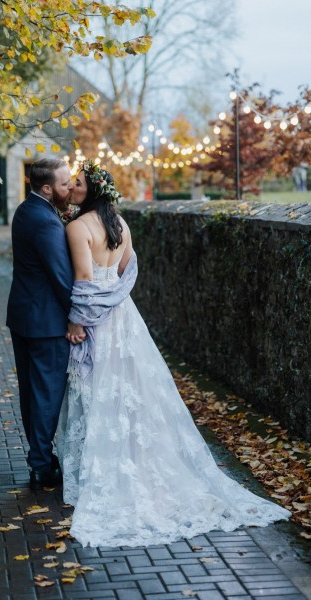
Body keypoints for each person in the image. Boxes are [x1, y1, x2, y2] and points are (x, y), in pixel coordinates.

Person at [55, 160, 291, 548]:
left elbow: (83, 279)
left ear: (91, 191)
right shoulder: (121, 225)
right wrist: (114, 295)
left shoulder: (77, 228)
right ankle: (138, 465)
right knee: (129, 391)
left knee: (97, 389)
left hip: (96, 318)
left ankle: (104, 474)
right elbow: (127, 272)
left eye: (78, 184)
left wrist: (78, 320)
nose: (73, 188)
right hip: (122, 315)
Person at [6, 158, 85, 490]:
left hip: (24, 317)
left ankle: (41, 457)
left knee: (32, 393)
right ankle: (41, 465)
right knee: (47, 394)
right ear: (47, 187)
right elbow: (61, 276)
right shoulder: (47, 222)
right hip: (47, 323)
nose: (69, 187)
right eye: (65, 183)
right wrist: (79, 316)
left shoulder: (26, 210)